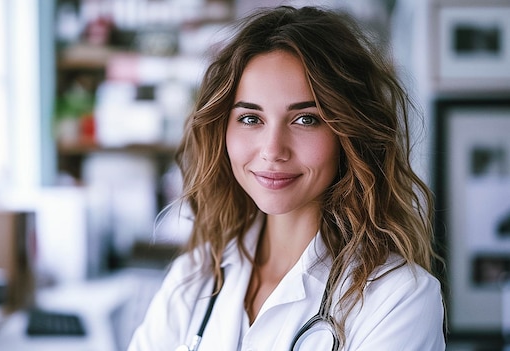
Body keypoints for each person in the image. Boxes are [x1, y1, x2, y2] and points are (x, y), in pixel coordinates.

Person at [128, 5, 445, 351]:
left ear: (349, 134)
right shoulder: (194, 275)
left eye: (306, 119)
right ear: (222, 129)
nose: (273, 150)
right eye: (251, 118)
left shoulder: (399, 299)